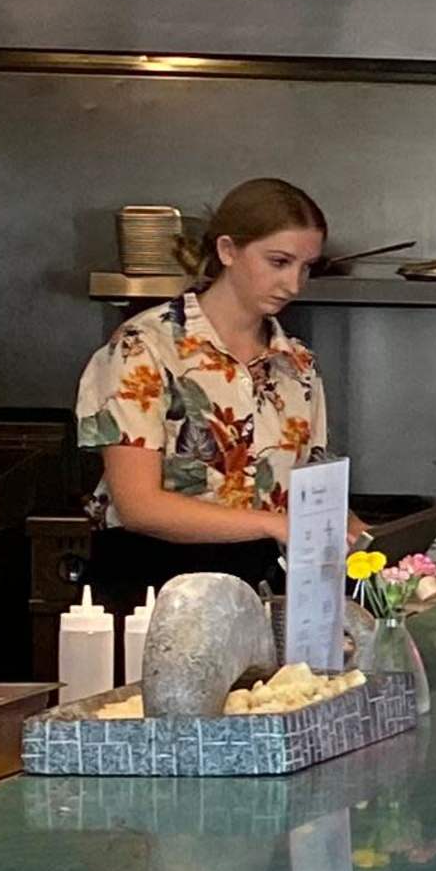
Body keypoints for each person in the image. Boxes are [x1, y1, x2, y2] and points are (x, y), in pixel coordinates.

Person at [72, 177, 333, 594]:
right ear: (227, 250)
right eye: (279, 262)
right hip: (153, 583)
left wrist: (358, 536)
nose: (294, 284)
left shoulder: (296, 364)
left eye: (306, 267)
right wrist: (272, 523)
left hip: (261, 584)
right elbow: (138, 506)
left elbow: (309, 489)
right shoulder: (144, 348)